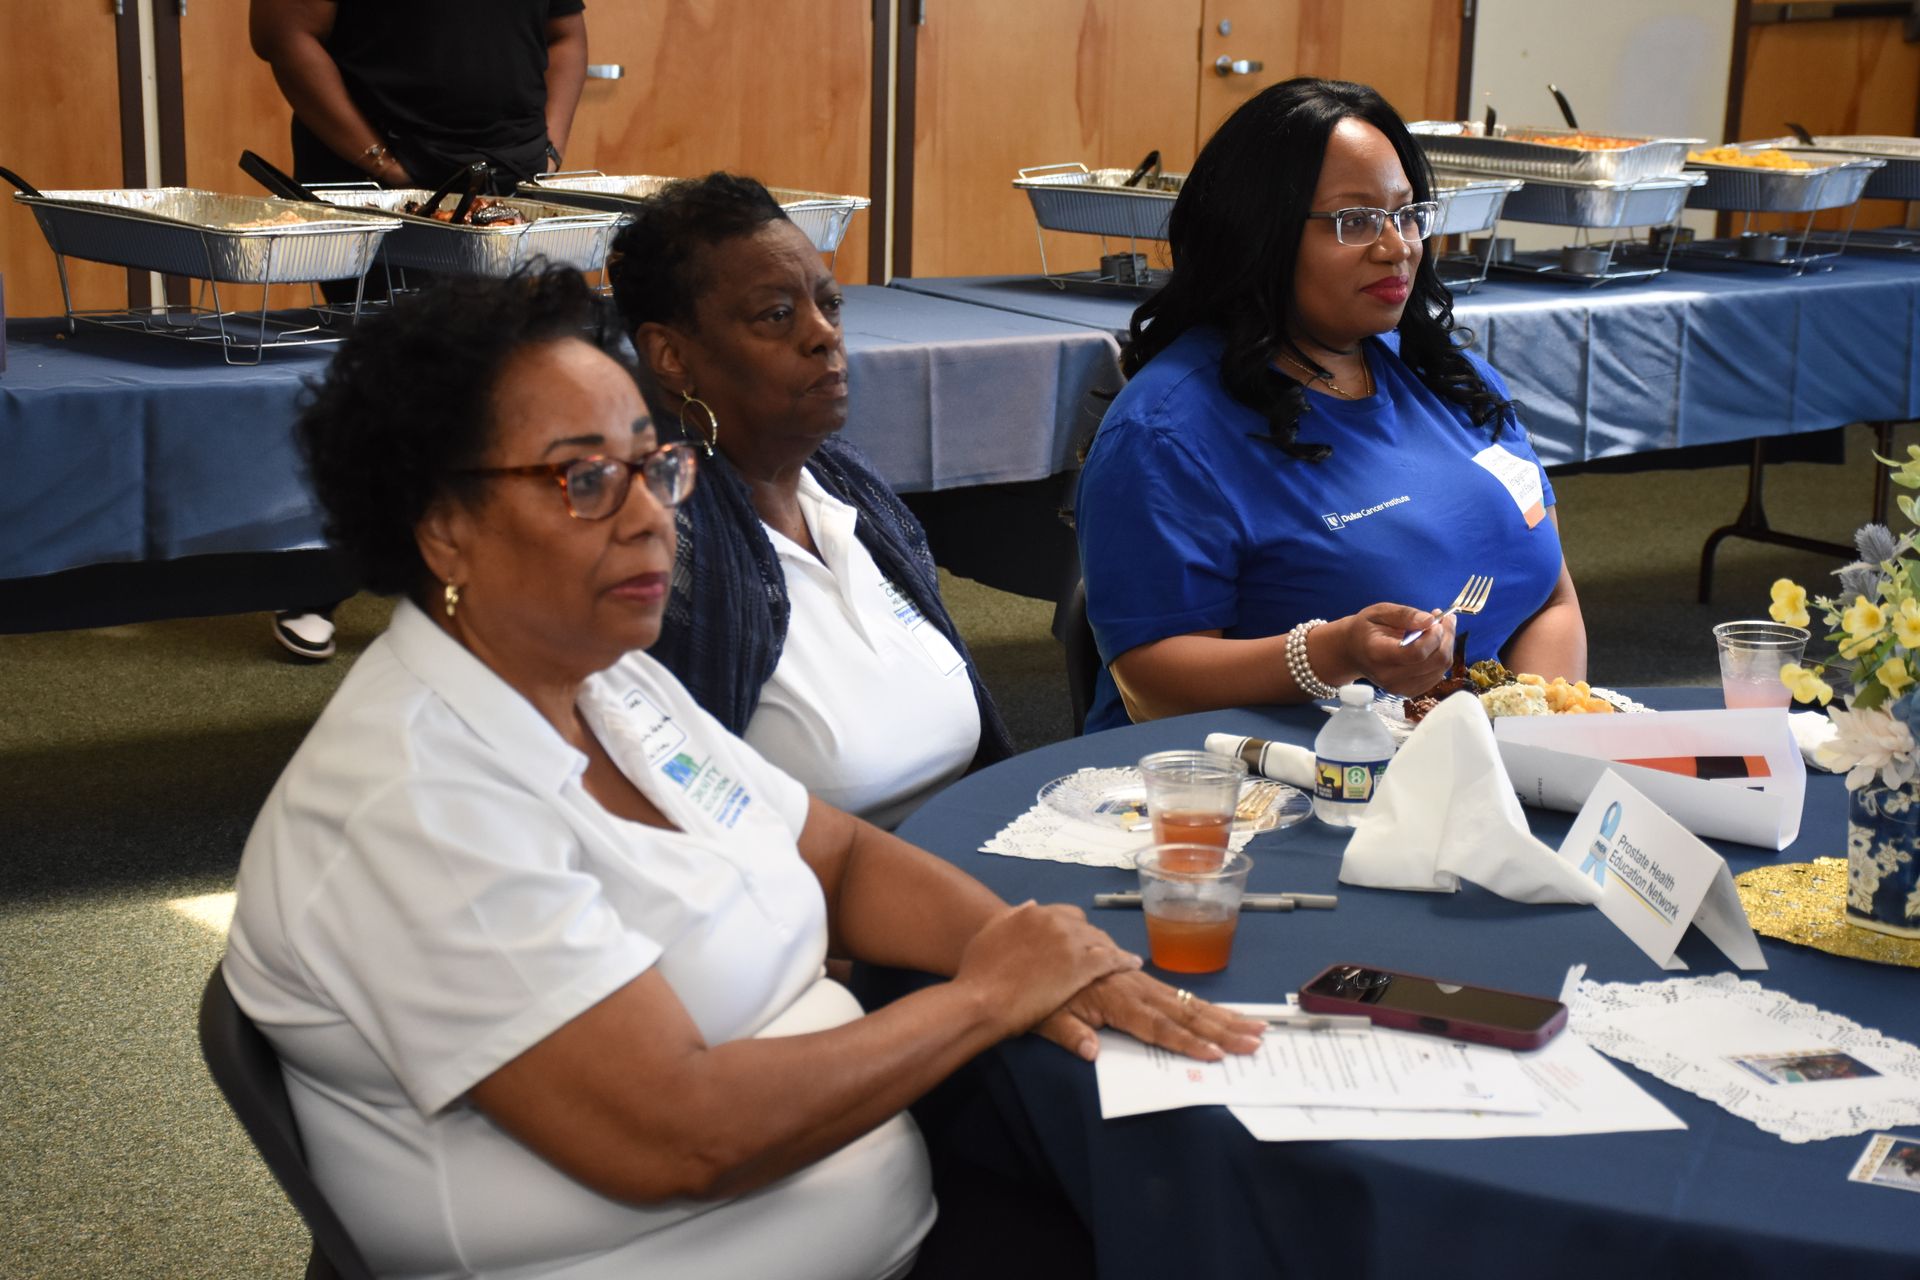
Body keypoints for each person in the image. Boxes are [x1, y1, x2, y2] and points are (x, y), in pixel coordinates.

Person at [222, 267, 1262, 1279]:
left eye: (652, 465)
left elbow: (845, 859)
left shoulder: (608, 682)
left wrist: (1016, 946)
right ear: (442, 526)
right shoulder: (420, 803)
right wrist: (988, 994)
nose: (650, 516)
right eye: (584, 479)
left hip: (878, 1207)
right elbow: (683, 1135)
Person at [1074, 77, 1586, 732]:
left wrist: (1535, 731)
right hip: (1268, 787)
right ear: (1259, 235)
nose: (1397, 245)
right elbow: (1150, 683)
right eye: (1356, 221)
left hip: (1487, 770)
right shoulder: (1167, 431)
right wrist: (1333, 653)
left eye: (1406, 214)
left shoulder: (1454, 380)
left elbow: (1549, 596)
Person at [607, 174, 1013, 828]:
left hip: (957, 865)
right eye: (777, 315)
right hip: (798, 912)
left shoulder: (846, 485)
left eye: (830, 305)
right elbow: (660, 828)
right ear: (672, 357)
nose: (824, 335)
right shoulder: (662, 546)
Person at [249, 0, 589, 659]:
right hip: (379, 179)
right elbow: (285, 37)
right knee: (397, 387)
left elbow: (565, 32)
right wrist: (384, 163)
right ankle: (326, 577)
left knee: (506, 384)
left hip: (509, 178)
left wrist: (548, 146)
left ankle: (485, 582)